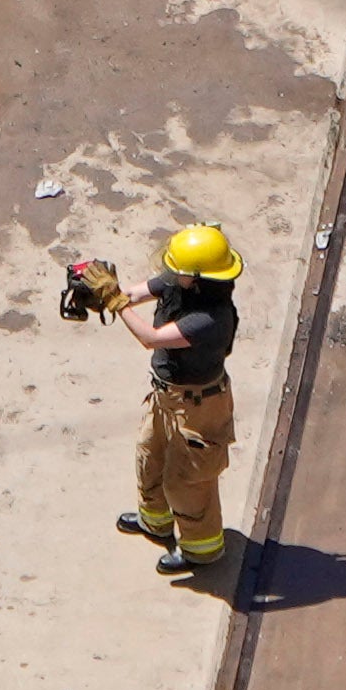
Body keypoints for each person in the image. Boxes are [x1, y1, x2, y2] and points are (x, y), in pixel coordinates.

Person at [109, 221, 246, 580]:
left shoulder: (209, 319)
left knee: (188, 480)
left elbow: (151, 338)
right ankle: (154, 521)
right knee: (149, 454)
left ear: (198, 279)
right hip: (165, 395)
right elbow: (137, 294)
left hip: (199, 407)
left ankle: (202, 550)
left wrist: (114, 303)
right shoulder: (180, 280)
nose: (170, 275)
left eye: (178, 271)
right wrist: (109, 292)